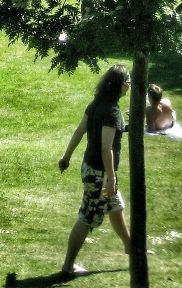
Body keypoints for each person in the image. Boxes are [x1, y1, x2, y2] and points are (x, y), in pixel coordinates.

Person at [58, 64, 132, 279]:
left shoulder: (97, 104)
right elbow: (106, 147)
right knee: (87, 217)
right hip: (100, 173)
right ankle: (68, 266)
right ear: (122, 85)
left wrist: (67, 156)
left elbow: (81, 130)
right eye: (128, 81)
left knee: (116, 205)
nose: (129, 86)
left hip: (90, 168)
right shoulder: (112, 111)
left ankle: (130, 248)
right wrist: (111, 176)